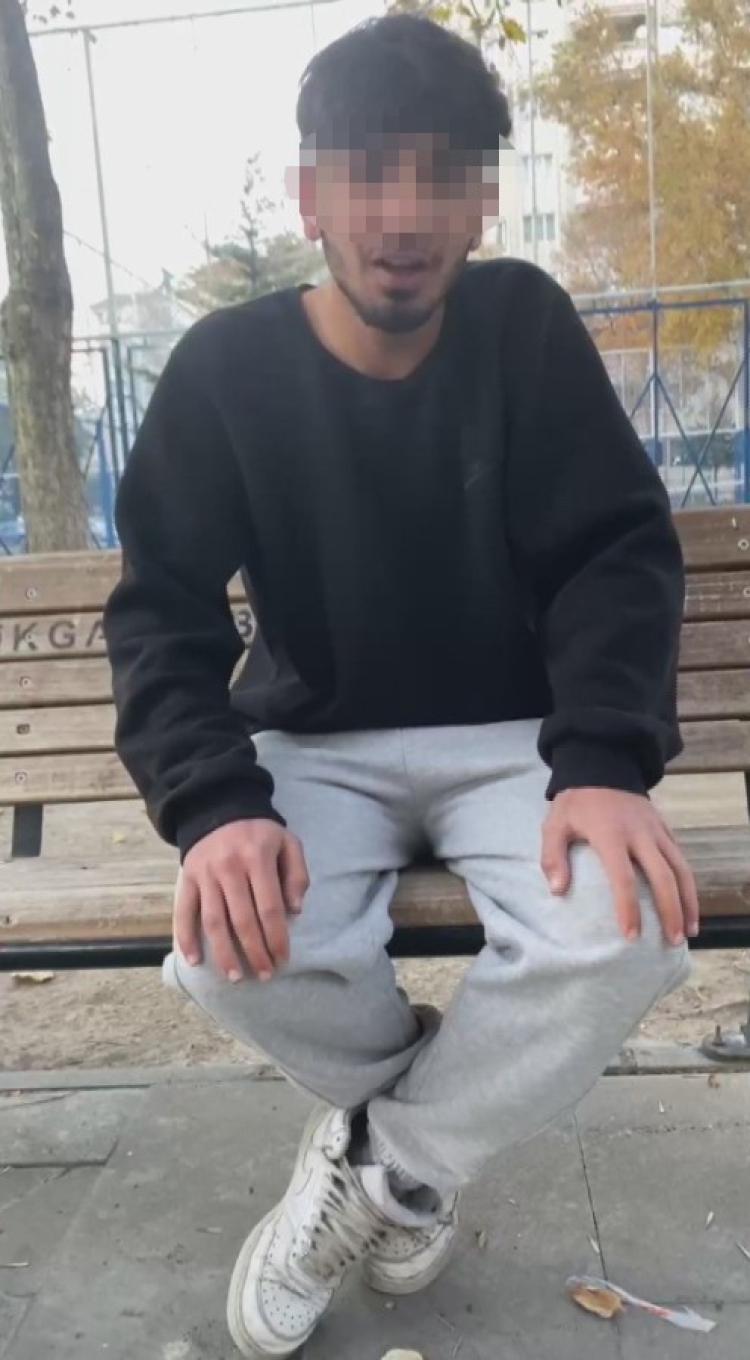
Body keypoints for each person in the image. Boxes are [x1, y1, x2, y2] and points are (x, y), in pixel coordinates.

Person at [104, 14, 698, 1358]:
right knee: (226, 946)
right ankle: (427, 1142)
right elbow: (160, 612)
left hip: (519, 736)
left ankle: (383, 1167)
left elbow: (615, 554)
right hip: (319, 736)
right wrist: (215, 805)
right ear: (309, 193)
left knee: (629, 932)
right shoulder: (227, 371)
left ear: (482, 199)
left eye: (440, 175)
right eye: (368, 171)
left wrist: (604, 761)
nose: (402, 214)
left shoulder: (523, 329)